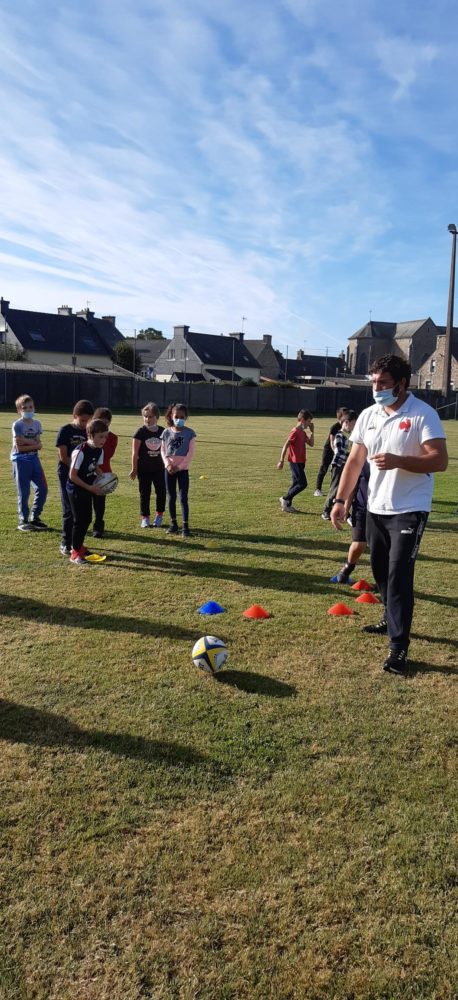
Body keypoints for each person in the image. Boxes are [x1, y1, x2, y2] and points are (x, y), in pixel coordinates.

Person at [330, 353, 448, 674]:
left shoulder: (423, 414)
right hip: (375, 508)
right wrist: (341, 501)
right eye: (374, 383)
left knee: (398, 576)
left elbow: (439, 460)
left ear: (401, 384)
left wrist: (400, 461)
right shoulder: (369, 415)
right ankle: (388, 616)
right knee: (381, 572)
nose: (377, 388)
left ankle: (398, 647)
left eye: (383, 383)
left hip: (409, 509)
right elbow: (355, 461)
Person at [66, 418, 108, 564]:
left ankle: (79, 546)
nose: (103, 440)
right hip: (76, 488)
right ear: (90, 435)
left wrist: (102, 476)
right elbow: (72, 476)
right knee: (79, 520)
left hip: (88, 487)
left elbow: (95, 466)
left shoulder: (99, 450)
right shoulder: (80, 451)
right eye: (100, 436)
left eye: (105, 436)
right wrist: (90, 487)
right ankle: (74, 552)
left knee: (87, 518)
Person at [56, 400, 94, 555]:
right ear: (75, 415)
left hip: (83, 477)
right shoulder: (65, 430)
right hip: (67, 475)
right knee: (69, 510)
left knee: (81, 512)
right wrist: (76, 468)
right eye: (83, 420)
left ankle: (77, 544)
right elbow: (63, 457)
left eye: (88, 421)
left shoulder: (89, 431)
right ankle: (66, 543)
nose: (86, 424)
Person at [11, 394, 48, 531]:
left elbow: (39, 443)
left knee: (42, 488)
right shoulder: (18, 425)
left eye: (30, 407)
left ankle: (35, 517)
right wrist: (34, 445)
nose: (28, 410)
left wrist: (29, 443)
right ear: (19, 410)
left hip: (34, 459)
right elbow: (19, 447)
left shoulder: (37, 423)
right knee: (24, 491)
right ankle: (23, 520)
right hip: (20, 460)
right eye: (24, 408)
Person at [161, 403, 196, 537]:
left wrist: (179, 467)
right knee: (171, 497)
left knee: (183, 498)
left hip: (182, 471)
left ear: (186, 417)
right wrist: (167, 465)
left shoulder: (190, 433)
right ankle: (173, 524)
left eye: (182, 417)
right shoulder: (166, 432)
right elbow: (163, 450)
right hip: (169, 471)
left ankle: (185, 526)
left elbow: (190, 453)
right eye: (177, 416)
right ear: (171, 416)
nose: (179, 419)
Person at [129, 402, 166, 528]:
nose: (147, 419)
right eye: (145, 416)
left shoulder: (163, 432)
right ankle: (145, 517)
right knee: (145, 493)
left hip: (160, 469)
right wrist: (134, 469)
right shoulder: (140, 432)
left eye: (150, 416)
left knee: (161, 492)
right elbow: (134, 453)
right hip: (144, 470)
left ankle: (159, 515)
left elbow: (167, 451)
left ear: (156, 417)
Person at [333, 461, 370, 583]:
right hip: (361, 507)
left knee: (381, 546)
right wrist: (346, 506)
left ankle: (385, 581)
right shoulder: (363, 461)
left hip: (385, 510)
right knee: (358, 543)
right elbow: (353, 485)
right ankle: (347, 569)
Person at [322, 411, 357, 520]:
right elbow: (339, 451)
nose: (354, 427)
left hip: (345, 466)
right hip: (338, 465)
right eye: (353, 424)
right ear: (346, 422)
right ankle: (326, 510)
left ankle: (341, 509)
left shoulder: (348, 436)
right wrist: (351, 455)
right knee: (335, 488)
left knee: (344, 488)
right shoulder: (339, 435)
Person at [277, 409, 314, 512]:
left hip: (301, 461)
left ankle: (287, 505)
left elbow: (311, 444)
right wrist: (281, 460)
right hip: (295, 461)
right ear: (302, 420)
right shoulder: (295, 431)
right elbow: (286, 445)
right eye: (308, 421)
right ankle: (285, 498)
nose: (309, 424)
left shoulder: (302, 432)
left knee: (295, 483)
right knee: (303, 483)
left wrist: (312, 432)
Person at [92, 407, 118, 538]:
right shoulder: (88, 435)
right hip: (87, 472)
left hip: (104, 473)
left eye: (106, 423)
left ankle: (98, 526)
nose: (103, 425)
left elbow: (107, 454)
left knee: (99, 502)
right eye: (100, 422)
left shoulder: (112, 438)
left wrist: (102, 438)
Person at [314, 408, 350, 497]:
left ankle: (334, 488)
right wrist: (336, 452)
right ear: (340, 417)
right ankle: (317, 489)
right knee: (324, 467)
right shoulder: (335, 427)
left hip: (340, 450)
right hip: (330, 450)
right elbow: (332, 441)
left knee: (337, 470)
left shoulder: (348, 425)